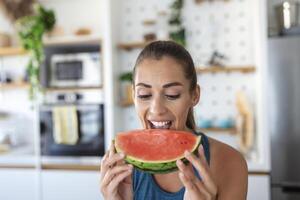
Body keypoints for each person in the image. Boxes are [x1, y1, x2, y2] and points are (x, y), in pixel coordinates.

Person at [100, 41, 248, 200]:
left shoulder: (229, 162)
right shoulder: (120, 167)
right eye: (144, 95)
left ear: (194, 95)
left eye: (172, 95)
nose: (156, 109)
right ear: (134, 95)